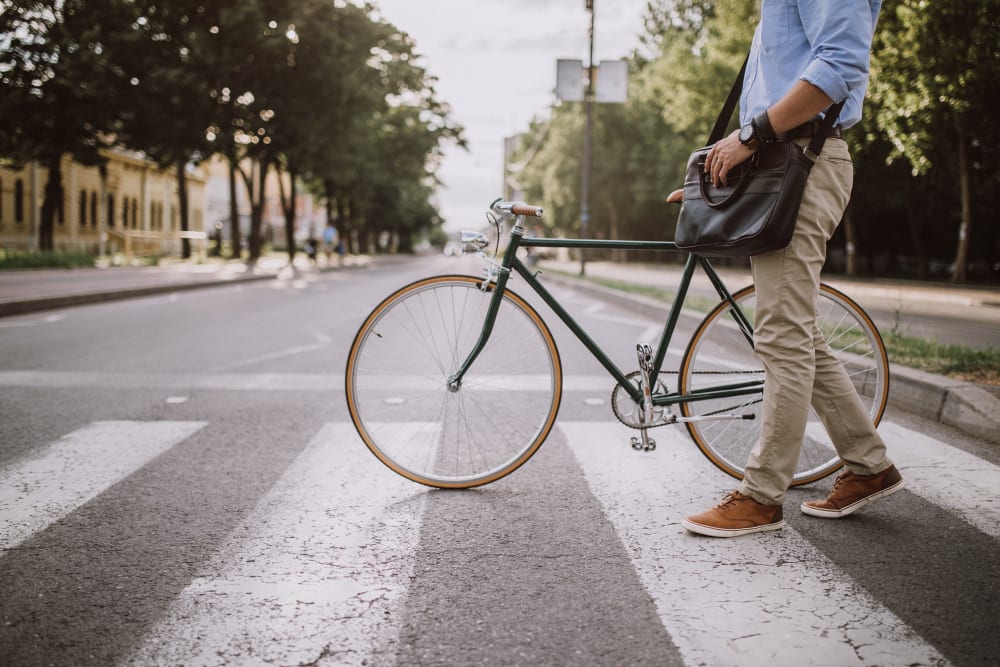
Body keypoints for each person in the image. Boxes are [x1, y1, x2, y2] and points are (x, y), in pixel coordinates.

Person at [669, 0, 902, 538]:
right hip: (780, 165)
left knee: (781, 334)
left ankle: (761, 495)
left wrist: (747, 137)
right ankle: (869, 465)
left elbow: (839, 66)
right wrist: (718, 185)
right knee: (796, 333)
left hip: (803, 164)